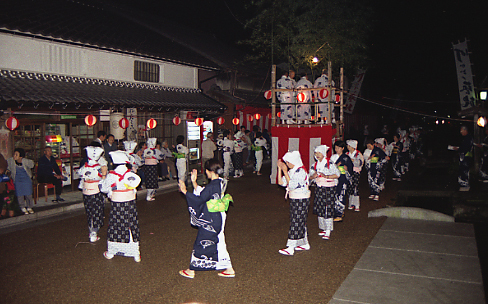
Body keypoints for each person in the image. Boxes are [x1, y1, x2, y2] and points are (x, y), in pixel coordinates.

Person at [177, 160, 235, 278]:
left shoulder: (212, 185)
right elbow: (204, 194)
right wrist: (194, 182)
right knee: (220, 242)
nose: (206, 174)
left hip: (211, 218)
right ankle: (229, 268)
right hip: (219, 215)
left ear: (210, 172)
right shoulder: (221, 182)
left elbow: (199, 199)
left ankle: (191, 270)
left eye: (207, 171)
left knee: (201, 242)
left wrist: (185, 192)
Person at [101, 150, 142, 262]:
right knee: (131, 224)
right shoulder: (131, 173)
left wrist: (103, 176)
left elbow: (103, 188)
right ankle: (135, 253)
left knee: (116, 225)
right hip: (130, 203)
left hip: (117, 203)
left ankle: (111, 252)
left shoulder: (111, 175)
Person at [277, 151, 311, 255]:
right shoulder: (293, 171)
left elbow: (291, 185)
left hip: (301, 198)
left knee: (296, 221)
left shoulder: (300, 171)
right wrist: (280, 169)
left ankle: (290, 247)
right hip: (296, 198)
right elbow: (281, 182)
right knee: (299, 220)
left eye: (288, 162)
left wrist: (285, 171)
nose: (287, 164)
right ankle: (304, 243)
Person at [77, 145, 108, 242]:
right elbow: (103, 179)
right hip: (96, 191)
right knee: (97, 211)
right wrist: (103, 175)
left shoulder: (84, 167)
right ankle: (94, 232)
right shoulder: (99, 167)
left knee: (89, 211)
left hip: (86, 192)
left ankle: (92, 230)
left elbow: (80, 174)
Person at [309, 145, 339, 240]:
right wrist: (313, 176)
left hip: (328, 188)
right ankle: (323, 228)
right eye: (316, 153)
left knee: (327, 207)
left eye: (319, 153)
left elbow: (337, 174)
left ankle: (328, 230)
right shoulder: (315, 164)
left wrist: (326, 176)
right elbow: (310, 176)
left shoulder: (329, 163)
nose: (317, 155)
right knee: (320, 207)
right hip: (319, 187)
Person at [7, 148, 35, 215]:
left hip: (26, 179)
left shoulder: (25, 161)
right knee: (20, 194)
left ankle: (29, 207)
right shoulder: (11, 161)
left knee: (28, 194)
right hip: (17, 179)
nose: (14, 156)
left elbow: (32, 164)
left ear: (21, 156)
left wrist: (25, 161)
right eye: (14, 154)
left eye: (16, 155)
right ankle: (22, 207)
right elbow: (8, 166)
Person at [331, 140, 353, 221]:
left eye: (338, 148)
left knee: (341, 195)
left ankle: (339, 215)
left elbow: (350, 168)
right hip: (334, 178)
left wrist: (347, 169)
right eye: (335, 148)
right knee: (335, 194)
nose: (336, 149)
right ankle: (337, 212)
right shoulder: (333, 157)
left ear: (343, 148)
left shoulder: (346, 158)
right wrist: (336, 166)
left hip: (342, 178)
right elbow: (330, 167)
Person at [346, 140, 364, 211]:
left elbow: (360, 162)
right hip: (348, 172)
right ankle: (351, 203)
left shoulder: (358, 154)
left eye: (349, 146)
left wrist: (352, 160)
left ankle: (357, 205)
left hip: (355, 172)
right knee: (350, 188)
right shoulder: (346, 154)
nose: (348, 147)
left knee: (355, 187)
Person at [454, 126, 473, 191]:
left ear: (465, 130)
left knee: (464, 170)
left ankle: (465, 185)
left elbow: (465, 148)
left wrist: (458, 149)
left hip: (466, 157)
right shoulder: (467, 138)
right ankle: (463, 184)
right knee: (463, 170)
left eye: (461, 130)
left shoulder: (468, 138)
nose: (460, 132)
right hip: (465, 157)